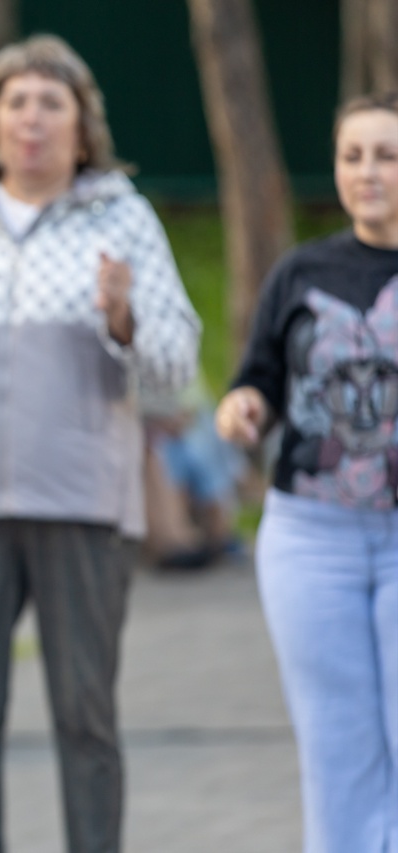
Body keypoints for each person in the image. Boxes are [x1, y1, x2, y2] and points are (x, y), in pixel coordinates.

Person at [0, 34, 201, 853]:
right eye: (16, 101)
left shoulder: (122, 218)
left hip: (84, 505)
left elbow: (177, 367)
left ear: (83, 125)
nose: (31, 118)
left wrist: (124, 317)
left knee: (85, 719)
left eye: (51, 103)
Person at [215, 92, 398, 853]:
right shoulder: (301, 271)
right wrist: (244, 407)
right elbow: (256, 377)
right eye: (352, 156)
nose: (368, 171)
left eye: (386, 155)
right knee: (335, 746)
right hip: (311, 537)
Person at [141, 379, 245, 569]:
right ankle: (177, 534)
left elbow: (192, 403)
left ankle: (215, 527)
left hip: (182, 420)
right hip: (153, 425)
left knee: (203, 435)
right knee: (167, 448)